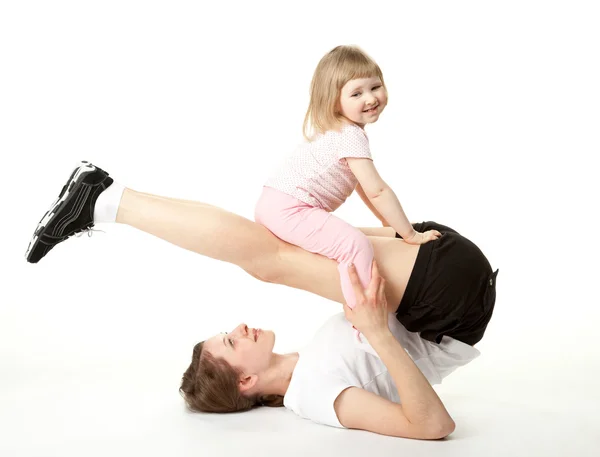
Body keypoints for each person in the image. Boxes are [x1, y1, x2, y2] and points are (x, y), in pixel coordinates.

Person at [24, 161, 498, 439]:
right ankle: (106, 200)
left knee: (269, 246)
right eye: (231, 342)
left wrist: (404, 234)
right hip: (449, 303)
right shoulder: (313, 397)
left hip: (435, 265)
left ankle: (107, 197)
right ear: (247, 380)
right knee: (267, 258)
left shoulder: (313, 360)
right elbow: (432, 427)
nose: (240, 328)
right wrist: (376, 332)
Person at [255, 45, 441, 315]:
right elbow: (377, 190)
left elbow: (363, 187)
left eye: (375, 87)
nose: (370, 98)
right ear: (333, 102)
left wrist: (387, 222)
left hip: (276, 203)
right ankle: (364, 318)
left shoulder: (341, 131)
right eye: (356, 93)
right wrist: (409, 234)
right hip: (289, 210)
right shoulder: (350, 135)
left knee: (350, 240)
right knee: (354, 245)